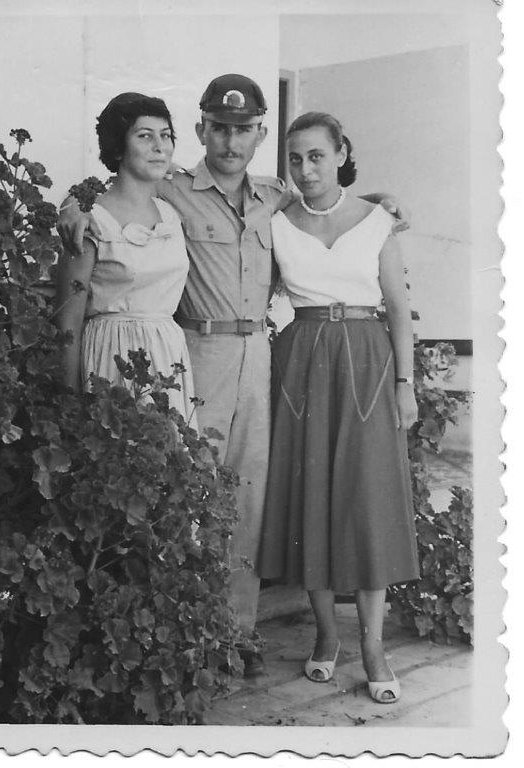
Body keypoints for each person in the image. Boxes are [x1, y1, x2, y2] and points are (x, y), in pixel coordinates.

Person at [57, 75, 409, 677]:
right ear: (201, 131)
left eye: (243, 129)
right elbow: (111, 186)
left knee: (249, 497)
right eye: (218, 127)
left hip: (264, 357)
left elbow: (332, 209)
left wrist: (381, 202)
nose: (230, 139)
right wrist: (69, 208)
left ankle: (234, 635)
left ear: (259, 135)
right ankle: (179, 625)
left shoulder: (276, 195)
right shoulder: (171, 185)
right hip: (194, 351)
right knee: (188, 492)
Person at [257, 112, 420, 703]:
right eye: (295, 158)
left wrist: (406, 384)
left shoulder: (378, 221)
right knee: (313, 499)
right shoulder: (275, 221)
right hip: (301, 360)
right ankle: (326, 637)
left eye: (317, 156)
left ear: (341, 152)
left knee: (367, 497)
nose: (305, 169)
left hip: (369, 361)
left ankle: (372, 646)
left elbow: (399, 308)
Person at [55, 92, 197, 425]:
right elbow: (67, 322)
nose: (159, 146)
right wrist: (71, 398)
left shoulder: (172, 213)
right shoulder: (91, 220)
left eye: (166, 136)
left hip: (166, 352)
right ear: (119, 146)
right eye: (145, 136)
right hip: (111, 353)